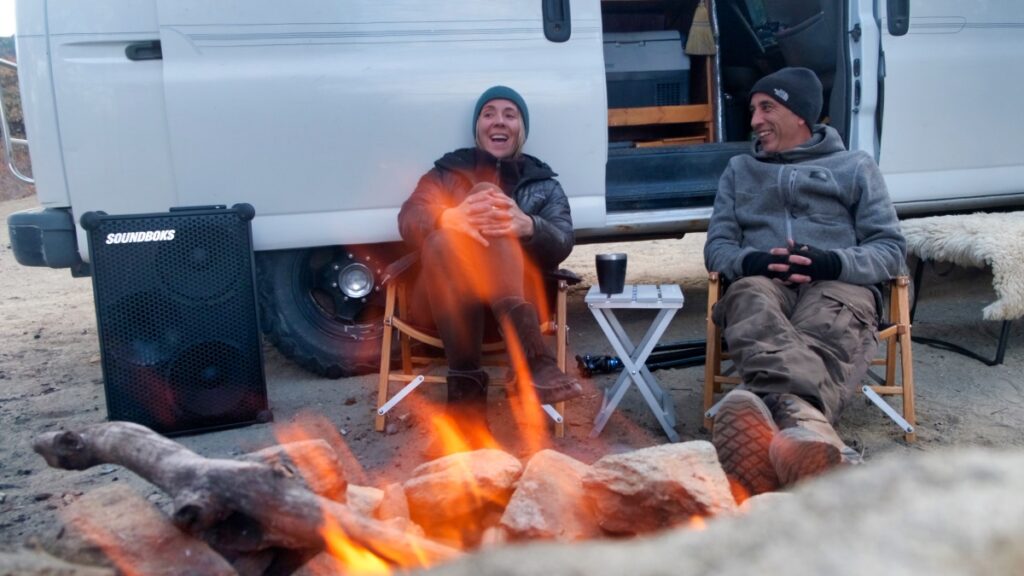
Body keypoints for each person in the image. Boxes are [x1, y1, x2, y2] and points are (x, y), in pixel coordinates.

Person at [703, 67, 907, 495]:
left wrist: (832, 263)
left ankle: (777, 417)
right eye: (753, 109)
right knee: (747, 300)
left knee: (832, 317)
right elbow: (717, 248)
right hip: (765, 281)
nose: (754, 120)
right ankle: (809, 427)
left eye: (767, 108)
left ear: (800, 115)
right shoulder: (740, 170)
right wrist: (753, 260)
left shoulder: (854, 167)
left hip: (838, 282)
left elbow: (890, 249)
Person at [397, 85, 583, 437]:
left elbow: (563, 241)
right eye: (489, 113)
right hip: (446, 302)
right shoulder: (445, 173)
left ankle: (466, 405)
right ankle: (534, 359)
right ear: (478, 126)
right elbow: (408, 218)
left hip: (518, 292)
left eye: (510, 114)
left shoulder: (544, 184)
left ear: (521, 129)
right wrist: (446, 219)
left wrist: (528, 225)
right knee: (454, 225)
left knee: (487, 200)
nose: (499, 121)